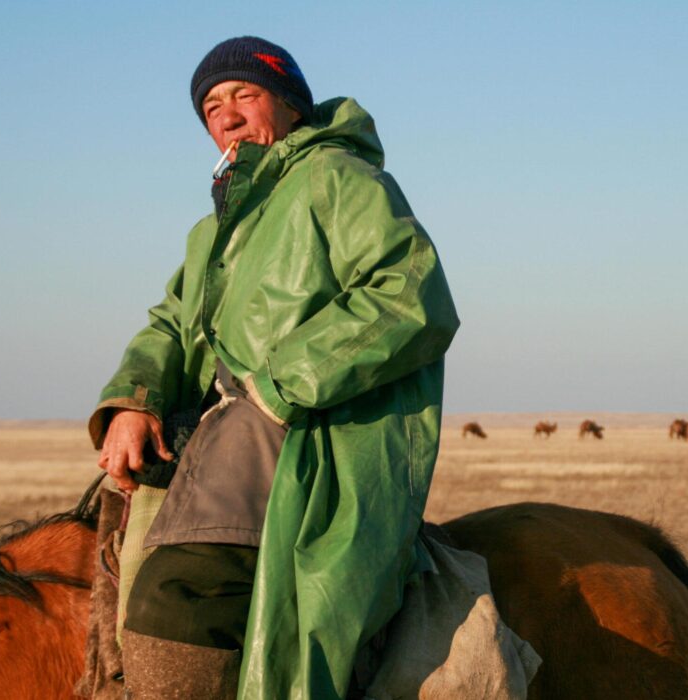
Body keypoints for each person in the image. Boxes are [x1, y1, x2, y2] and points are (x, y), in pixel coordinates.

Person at [89, 36, 459, 699]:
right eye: (211, 106)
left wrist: (275, 388)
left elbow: (411, 293)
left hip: (309, 429)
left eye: (244, 96)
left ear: (289, 108)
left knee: (183, 598)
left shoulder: (335, 177)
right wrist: (133, 399)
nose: (225, 114)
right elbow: (173, 322)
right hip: (223, 428)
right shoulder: (216, 231)